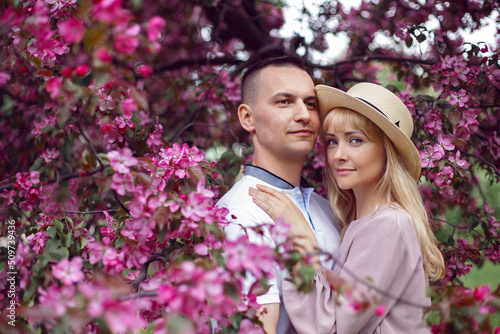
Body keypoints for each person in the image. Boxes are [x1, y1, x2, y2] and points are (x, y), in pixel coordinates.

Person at [249, 83, 446, 333]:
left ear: (387, 152)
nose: (338, 155)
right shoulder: (360, 222)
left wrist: (303, 243)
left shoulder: (387, 224)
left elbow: (334, 328)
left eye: (355, 140)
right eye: (332, 141)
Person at [217, 56, 341, 334]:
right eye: (284, 101)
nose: (304, 115)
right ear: (247, 117)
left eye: (310, 103)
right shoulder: (240, 215)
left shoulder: (326, 209)